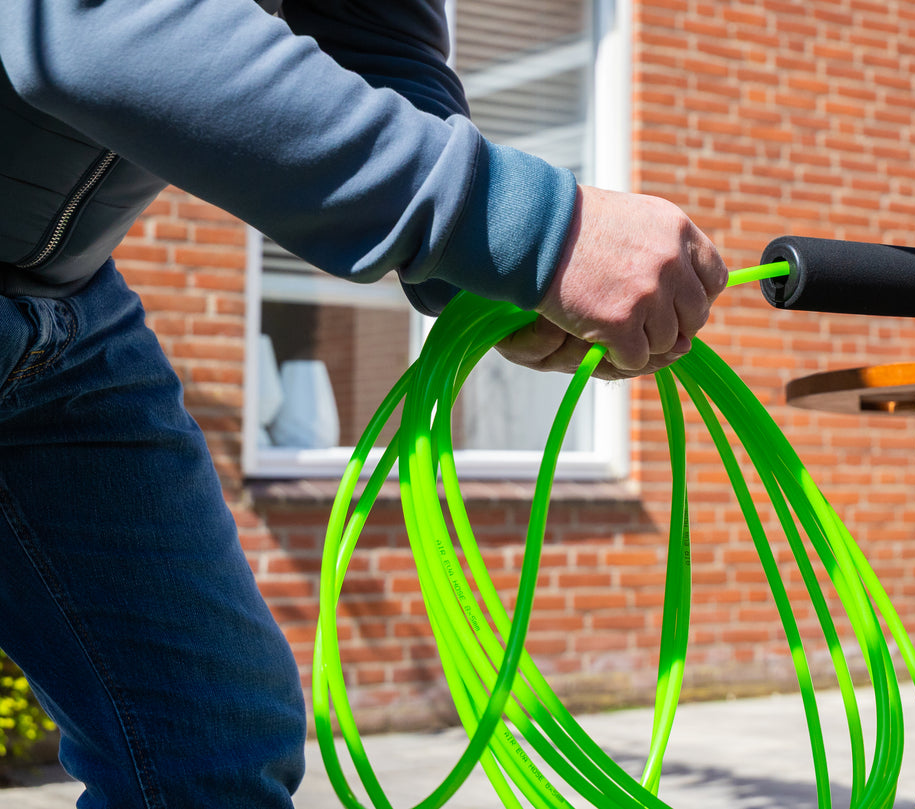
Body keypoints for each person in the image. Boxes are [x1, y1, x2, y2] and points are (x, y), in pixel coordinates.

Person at [0, 1, 727, 807]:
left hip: (65, 316)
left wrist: (485, 270)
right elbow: (86, 26)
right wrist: (543, 228)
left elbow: (374, 37)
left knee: (208, 748)